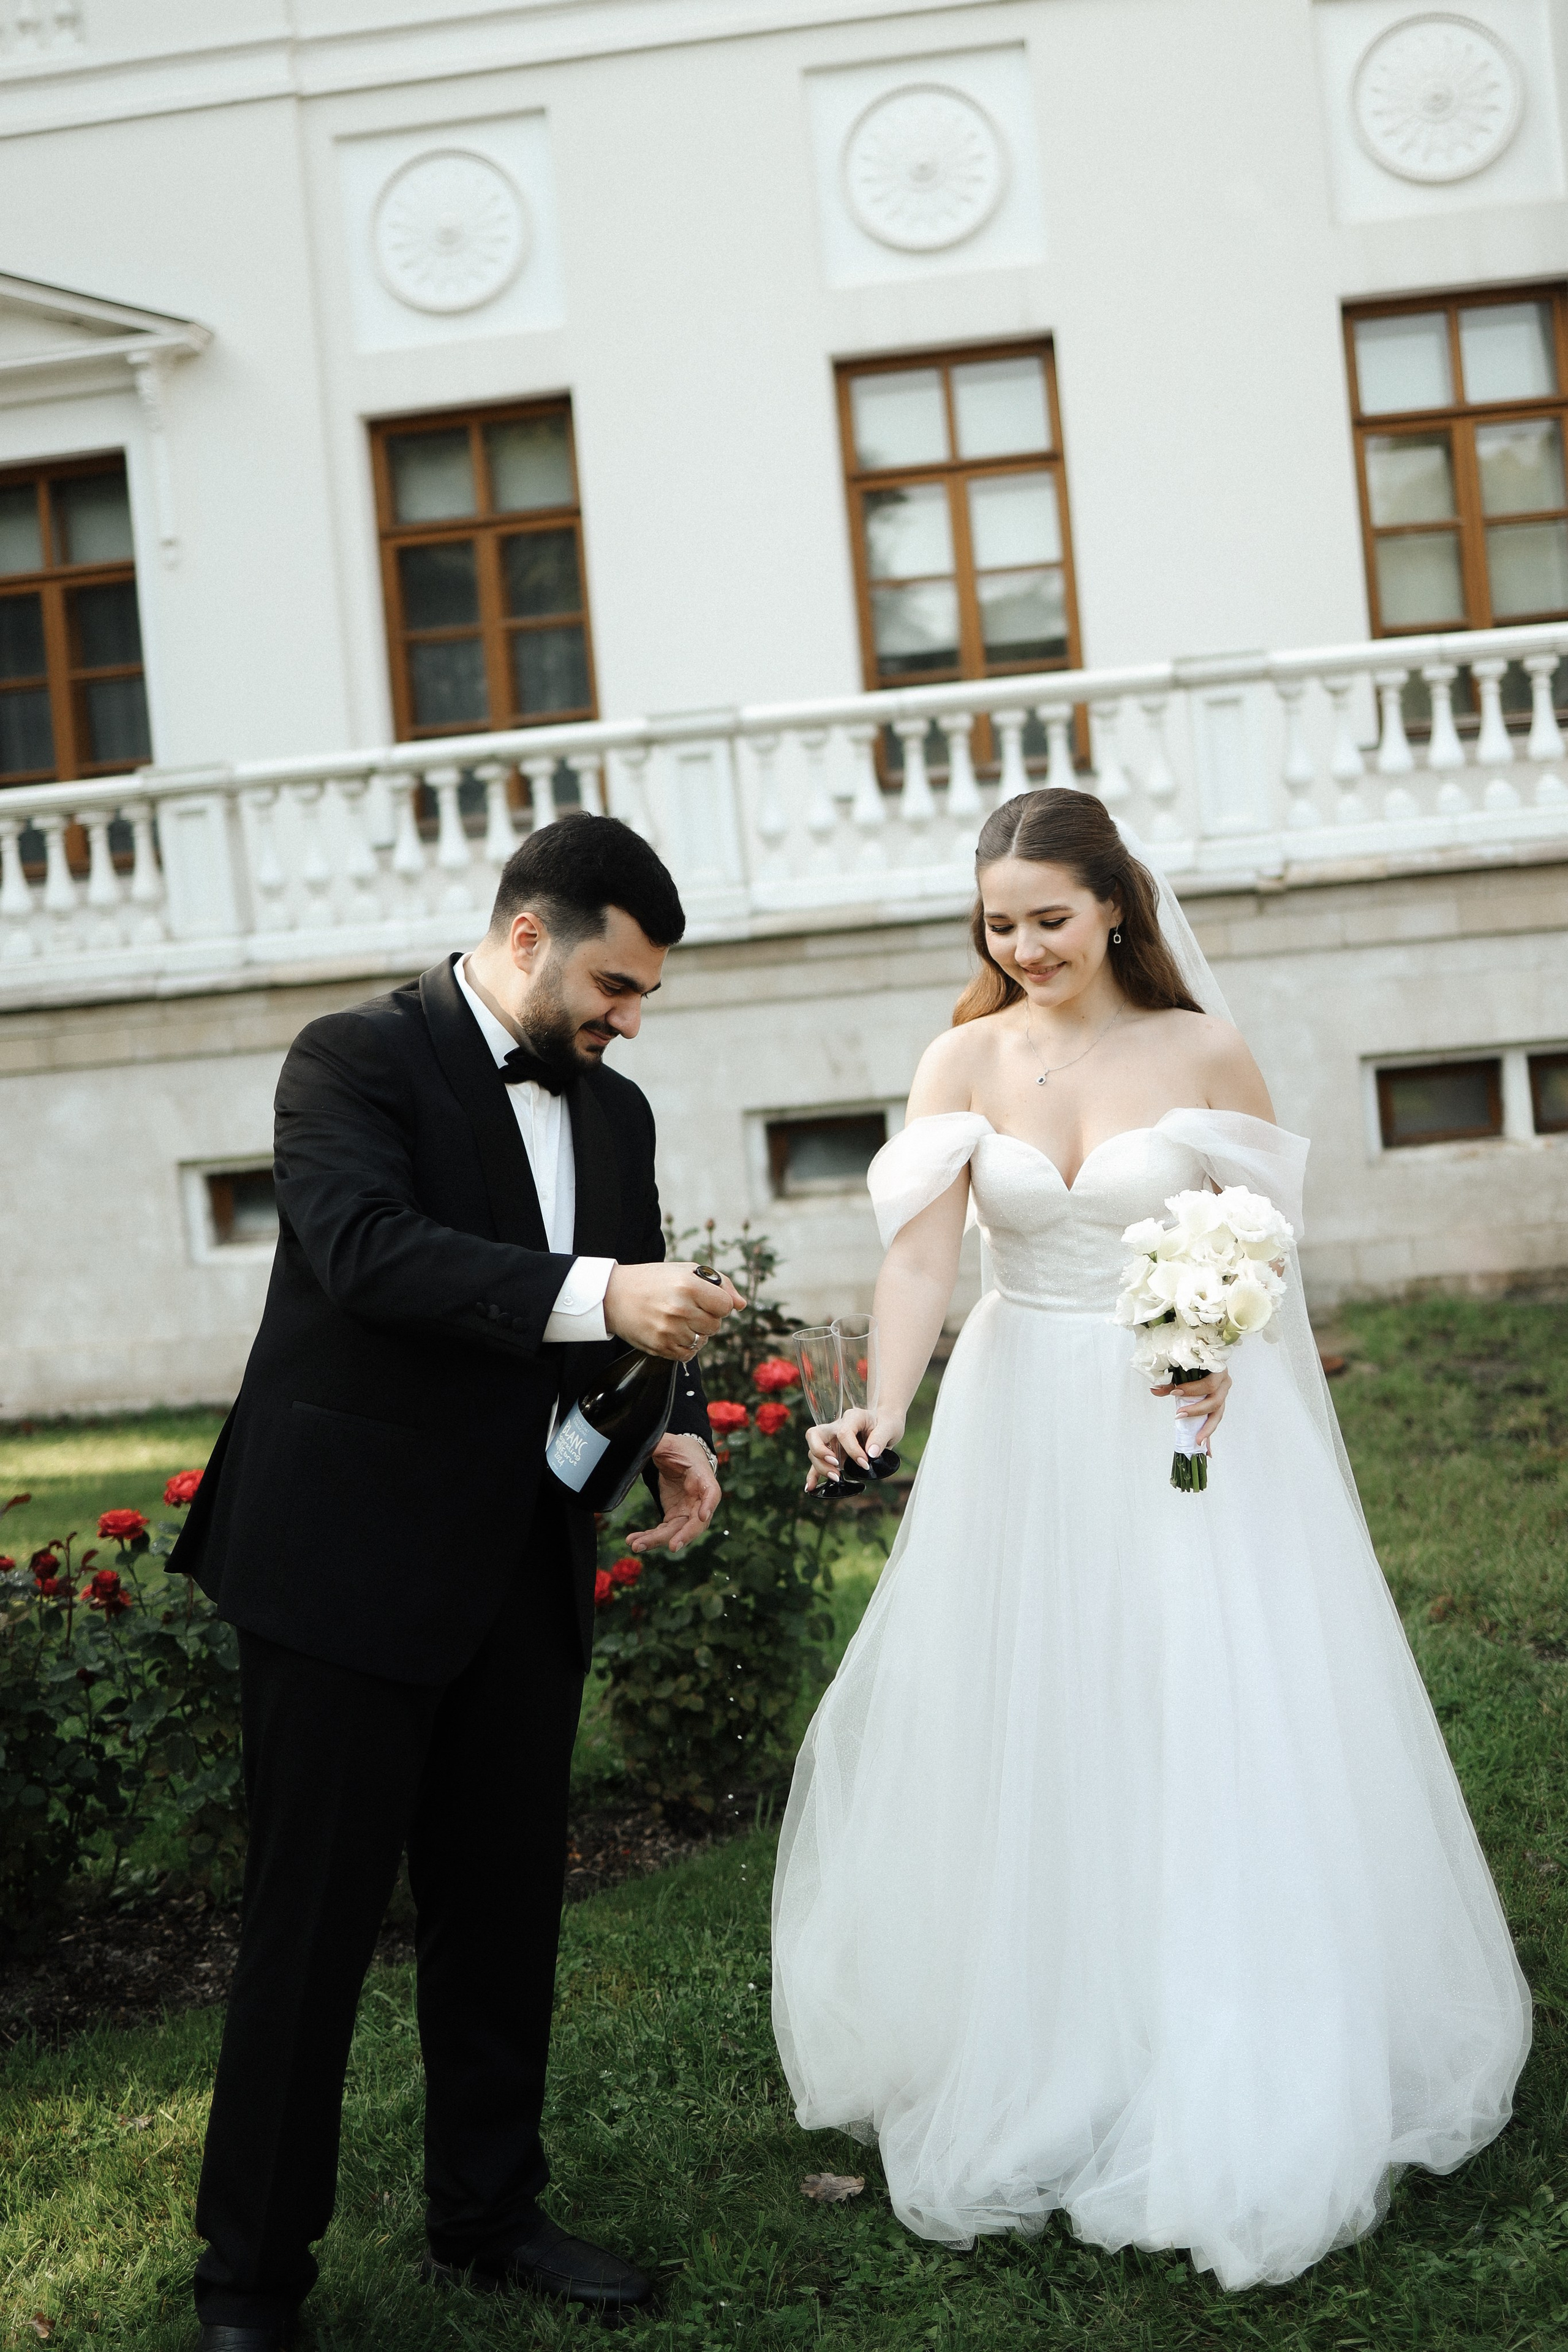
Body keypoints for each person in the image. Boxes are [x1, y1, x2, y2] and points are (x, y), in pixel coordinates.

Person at [771, 786, 1530, 2291]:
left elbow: (1257, 1253)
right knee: (1033, 1710)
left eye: (1047, 918)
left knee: (1195, 1701)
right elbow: (923, 1260)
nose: (1023, 946)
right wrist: (888, 1411)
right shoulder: (960, 1057)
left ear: (1115, 905)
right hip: (1015, 1417)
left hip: (1173, 1420)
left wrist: (1218, 1351)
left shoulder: (1196, 1051)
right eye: (997, 924)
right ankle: (1046, 2023)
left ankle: (1220, 2026)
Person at [173, 813, 741, 2350]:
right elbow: (364, 1252)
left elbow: (636, 1301)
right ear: (525, 941)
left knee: (503, 1918)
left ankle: (487, 2215)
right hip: (343, 1562)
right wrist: (598, 1293)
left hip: (521, 1557)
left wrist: (675, 1432)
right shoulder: (349, 1059)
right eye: (615, 987)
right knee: (313, 1930)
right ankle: (249, 2283)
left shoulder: (610, 1116)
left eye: (643, 999)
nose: (628, 1021)